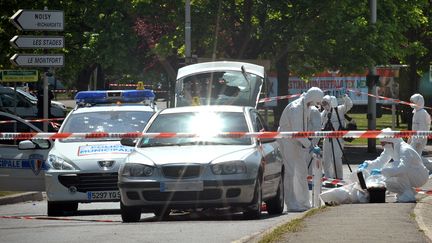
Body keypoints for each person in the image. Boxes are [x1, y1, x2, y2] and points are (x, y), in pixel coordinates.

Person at [278, 87, 324, 212]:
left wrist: (310, 143)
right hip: (287, 140)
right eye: (317, 101)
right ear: (313, 98)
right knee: (290, 172)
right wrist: (310, 145)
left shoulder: (307, 107)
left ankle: (303, 202)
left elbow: (304, 130)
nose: (318, 105)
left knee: (302, 171)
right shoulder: (296, 108)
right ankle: (291, 204)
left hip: (297, 141)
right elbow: (297, 131)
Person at [358, 128, 429, 202]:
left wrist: (382, 171)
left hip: (420, 176)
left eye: (383, 143)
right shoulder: (391, 148)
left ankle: (408, 195)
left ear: (390, 140)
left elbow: (402, 168)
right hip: (410, 174)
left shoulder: (405, 149)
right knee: (386, 182)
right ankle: (407, 192)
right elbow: (381, 161)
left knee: (395, 167)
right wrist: (367, 164)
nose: (382, 146)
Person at [320, 94, 353, 179]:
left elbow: (349, 105)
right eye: (323, 104)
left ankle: (338, 178)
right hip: (327, 139)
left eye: (326, 103)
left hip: (337, 139)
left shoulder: (340, 109)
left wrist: (345, 97)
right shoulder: (324, 113)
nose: (324, 106)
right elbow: (318, 122)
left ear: (331, 102)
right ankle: (328, 178)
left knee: (336, 159)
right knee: (326, 159)